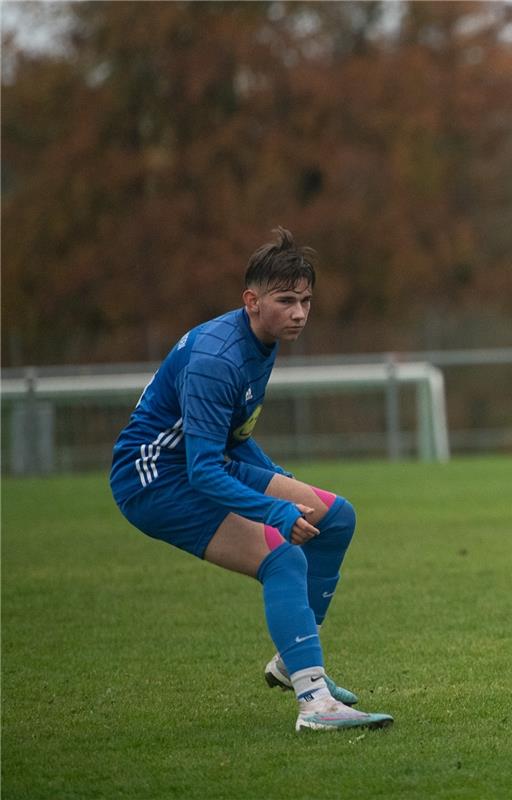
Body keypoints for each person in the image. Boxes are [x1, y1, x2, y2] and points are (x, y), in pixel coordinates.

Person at [109, 227, 393, 732]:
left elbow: (232, 435)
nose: (300, 313)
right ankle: (315, 705)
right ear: (251, 300)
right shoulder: (218, 359)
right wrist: (277, 509)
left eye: (306, 300)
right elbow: (202, 469)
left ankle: (291, 662)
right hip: (154, 479)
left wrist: (275, 479)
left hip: (206, 461)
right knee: (281, 556)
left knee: (337, 516)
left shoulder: (261, 338)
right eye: (286, 300)